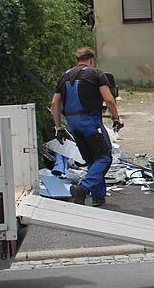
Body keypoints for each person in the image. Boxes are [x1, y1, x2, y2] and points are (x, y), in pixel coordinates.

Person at [51, 47, 123, 207]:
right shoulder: (96, 73)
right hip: (90, 122)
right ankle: (83, 188)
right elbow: (109, 100)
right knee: (104, 157)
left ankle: (98, 197)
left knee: (92, 159)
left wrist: (59, 127)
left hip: (73, 124)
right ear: (91, 59)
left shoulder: (64, 76)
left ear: (78, 60)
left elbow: (54, 103)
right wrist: (116, 118)